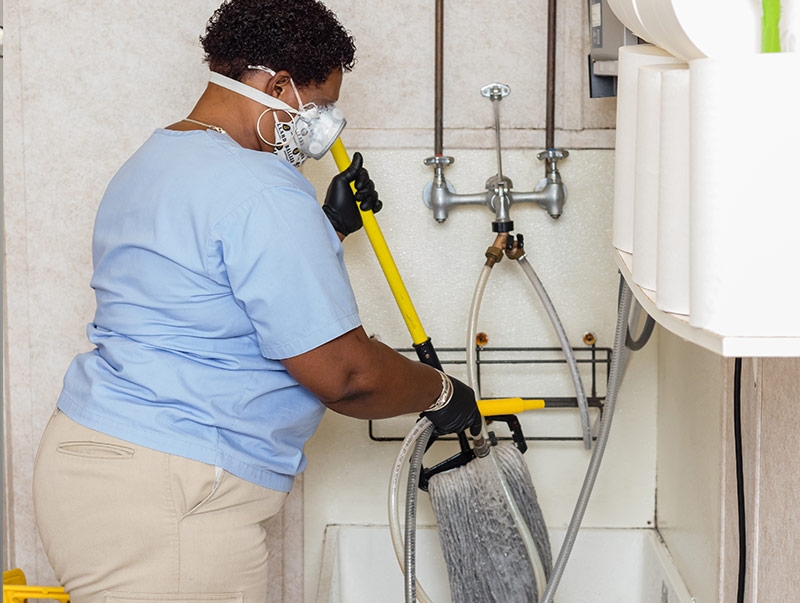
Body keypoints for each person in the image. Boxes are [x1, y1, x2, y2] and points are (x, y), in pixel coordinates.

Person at [31, 1, 481, 602]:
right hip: (173, 486)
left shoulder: (153, 161)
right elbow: (344, 375)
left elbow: (199, 288)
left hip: (98, 461)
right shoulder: (262, 189)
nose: (320, 124)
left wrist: (326, 230)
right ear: (276, 86)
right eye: (318, 106)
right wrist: (443, 394)